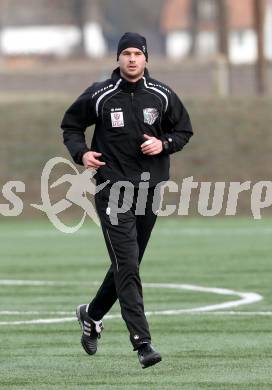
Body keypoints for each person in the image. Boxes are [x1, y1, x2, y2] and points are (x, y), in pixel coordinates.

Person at [61, 32, 193, 368]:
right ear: (118, 58)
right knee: (128, 265)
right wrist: (82, 153)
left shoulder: (162, 95)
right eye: (126, 53)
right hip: (112, 190)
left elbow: (183, 130)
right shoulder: (101, 94)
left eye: (138, 53)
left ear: (147, 58)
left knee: (126, 264)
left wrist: (164, 144)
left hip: (149, 191)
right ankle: (142, 342)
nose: (132, 59)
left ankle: (90, 315)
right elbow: (71, 125)